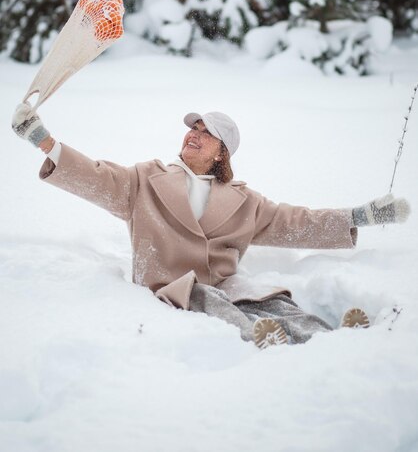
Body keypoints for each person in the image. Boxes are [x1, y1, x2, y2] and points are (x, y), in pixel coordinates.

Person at [12, 104, 410, 349]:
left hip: (226, 283)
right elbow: (95, 176)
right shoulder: (143, 180)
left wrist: (358, 216)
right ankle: (262, 342)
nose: (194, 134)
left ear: (223, 152)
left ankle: (336, 341)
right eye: (193, 128)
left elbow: (296, 222)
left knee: (277, 303)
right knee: (214, 303)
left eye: (206, 132)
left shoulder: (245, 201)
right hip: (172, 288)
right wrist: (44, 141)